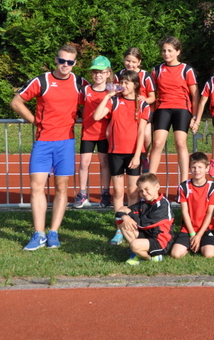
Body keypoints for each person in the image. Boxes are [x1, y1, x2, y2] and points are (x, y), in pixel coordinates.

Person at [11, 44, 88, 250]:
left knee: (61, 188)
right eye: (62, 60)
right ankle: (39, 234)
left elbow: (95, 97)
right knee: (36, 187)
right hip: (43, 142)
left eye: (69, 62)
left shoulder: (79, 82)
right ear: (56, 60)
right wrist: (35, 121)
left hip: (66, 142)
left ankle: (53, 232)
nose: (65, 65)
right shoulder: (42, 80)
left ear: (74, 63)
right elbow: (16, 102)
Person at [93, 70, 150, 245]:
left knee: (132, 192)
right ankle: (119, 228)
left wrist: (137, 155)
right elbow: (96, 116)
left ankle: (132, 225)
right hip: (115, 152)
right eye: (121, 82)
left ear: (135, 85)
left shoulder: (142, 104)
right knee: (118, 192)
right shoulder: (115, 101)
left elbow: (141, 131)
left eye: (127, 83)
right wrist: (107, 96)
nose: (123, 86)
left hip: (133, 153)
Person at [149, 36, 199, 183]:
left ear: (178, 52)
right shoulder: (157, 70)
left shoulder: (186, 70)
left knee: (180, 143)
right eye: (164, 51)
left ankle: (184, 183)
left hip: (182, 108)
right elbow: (151, 93)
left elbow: (195, 95)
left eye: (170, 51)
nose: (166, 54)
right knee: (157, 143)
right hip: (163, 108)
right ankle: (150, 180)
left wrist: (195, 117)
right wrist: (150, 113)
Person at [74, 55, 112, 208]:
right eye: (95, 72)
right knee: (84, 163)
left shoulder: (111, 91)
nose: (98, 75)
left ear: (108, 73)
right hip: (88, 133)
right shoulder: (85, 90)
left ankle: (105, 193)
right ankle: (82, 193)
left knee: (104, 163)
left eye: (101, 72)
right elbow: (78, 105)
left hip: (104, 134)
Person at [114, 173, 174, 265]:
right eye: (141, 191)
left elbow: (144, 224)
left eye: (146, 189)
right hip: (147, 234)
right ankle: (138, 253)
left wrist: (129, 214)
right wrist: (125, 217)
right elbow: (120, 211)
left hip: (160, 241)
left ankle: (149, 257)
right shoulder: (144, 202)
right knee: (122, 221)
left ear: (157, 187)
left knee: (134, 245)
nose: (144, 193)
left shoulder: (163, 205)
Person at [170, 152, 214, 259]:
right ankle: (192, 244)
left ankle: (202, 242)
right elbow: (184, 212)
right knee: (175, 254)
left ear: (207, 168)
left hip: (206, 228)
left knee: (209, 255)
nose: (197, 170)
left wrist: (199, 235)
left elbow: (210, 214)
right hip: (188, 228)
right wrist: (192, 234)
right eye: (193, 167)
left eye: (200, 167)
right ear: (189, 168)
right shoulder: (184, 186)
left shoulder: (212, 187)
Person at [116, 47, 156, 171]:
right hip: (124, 111)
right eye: (128, 61)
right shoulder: (119, 75)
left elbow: (152, 97)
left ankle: (144, 156)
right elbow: (115, 92)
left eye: (134, 62)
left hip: (142, 111)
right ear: (124, 60)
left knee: (147, 135)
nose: (130, 64)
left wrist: (144, 100)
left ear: (139, 62)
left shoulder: (145, 76)